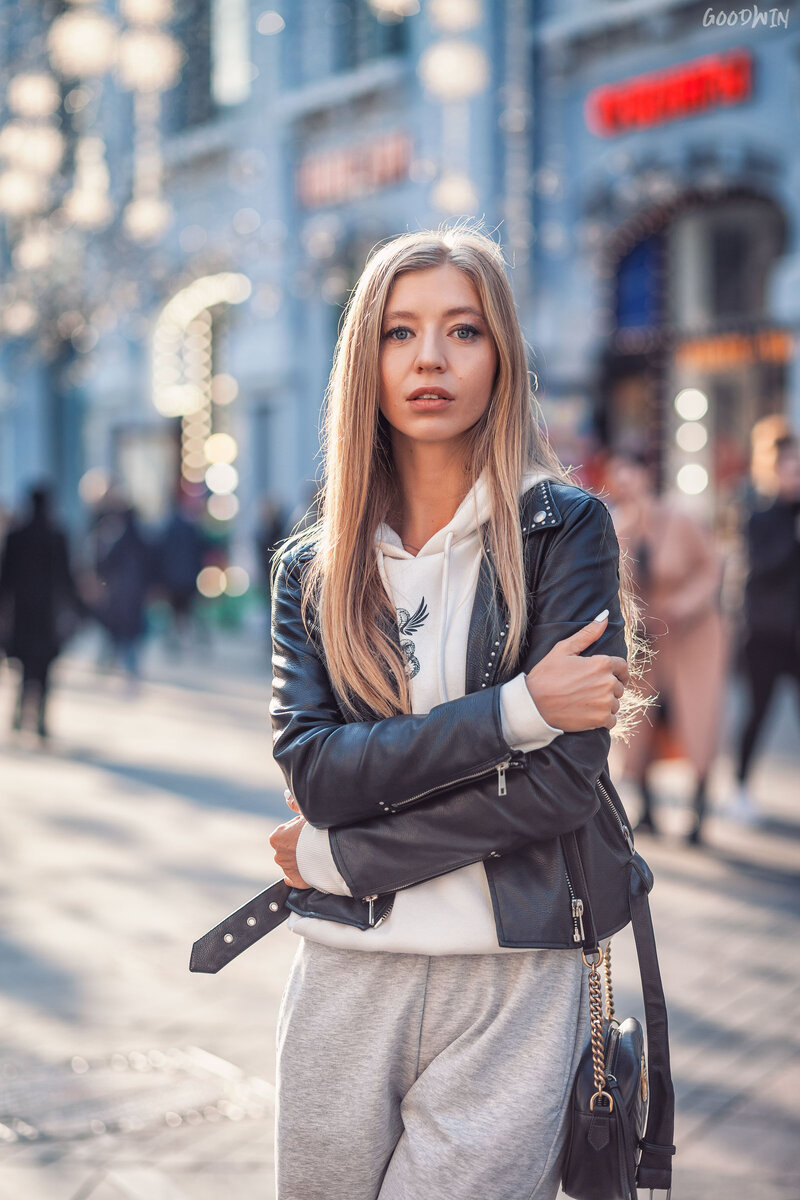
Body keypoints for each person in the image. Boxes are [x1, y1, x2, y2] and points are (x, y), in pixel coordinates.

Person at [264, 227, 646, 1200]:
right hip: (346, 973)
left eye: (461, 330)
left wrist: (348, 855)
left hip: (512, 975)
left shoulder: (562, 530)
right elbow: (316, 771)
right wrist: (517, 708)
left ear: (501, 356)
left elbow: (561, 784)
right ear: (366, 359)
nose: (428, 358)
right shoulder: (311, 568)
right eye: (399, 333)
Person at [606, 447, 728, 844]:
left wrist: (684, 604)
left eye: (630, 474)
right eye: (617, 477)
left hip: (694, 636)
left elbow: (711, 568)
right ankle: (648, 809)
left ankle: (699, 816)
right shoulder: (618, 526)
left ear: (645, 475)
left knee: (698, 721)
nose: (624, 484)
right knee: (638, 722)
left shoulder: (681, 519)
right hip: (648, 640)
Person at [732, 434, 800, 821]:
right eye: (789, 468)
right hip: (766, 635)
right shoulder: (760, 516)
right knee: (757, 713)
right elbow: (761, 568)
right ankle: (740, 788)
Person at [0, 484, 83, 738]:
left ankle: (18, 716)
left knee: (24, 667)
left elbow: (5, 578)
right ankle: (40, 721)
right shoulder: (56, 535)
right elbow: (67, 577)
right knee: (45, 669)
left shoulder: (17, 535)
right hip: (48, 615)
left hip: (23, 614)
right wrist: (78, 607)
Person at [94, 506, 154, 683]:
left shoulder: (120, 541)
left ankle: (107, 665)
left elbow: (105, 564)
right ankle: (129, 668)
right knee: (129, 636)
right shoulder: (143, 541)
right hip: (135, 598)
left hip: (119, 596)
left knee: (115, 633)